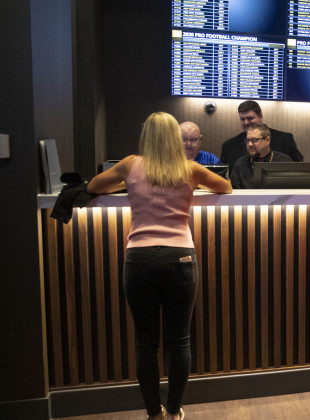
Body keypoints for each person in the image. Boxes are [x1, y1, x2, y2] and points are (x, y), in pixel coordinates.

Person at [86, 112, 232, 420]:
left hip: (138, 260)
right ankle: (175, 409)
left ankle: (154, 413)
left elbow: (95, 187)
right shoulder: (190, 168)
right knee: (179, 341)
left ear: (145, 137)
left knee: (146, 342)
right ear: (174, 138)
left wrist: (126, 186)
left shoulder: (129, 165)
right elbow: (226, 187)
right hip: (180, 258)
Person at [220, 100, 303, 171]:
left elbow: (298, 168)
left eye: (250, 118)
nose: (246, 122)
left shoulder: (284, 140)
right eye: (242, 119)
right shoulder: (229, 146)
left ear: (260, 116)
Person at [229, 123, 293, 189]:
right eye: (248, 140)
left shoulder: (284, 161)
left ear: (267, 140)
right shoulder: (240, 164)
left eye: (254, 140)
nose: (250, 144)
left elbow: (292, 191)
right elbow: (234, 192)